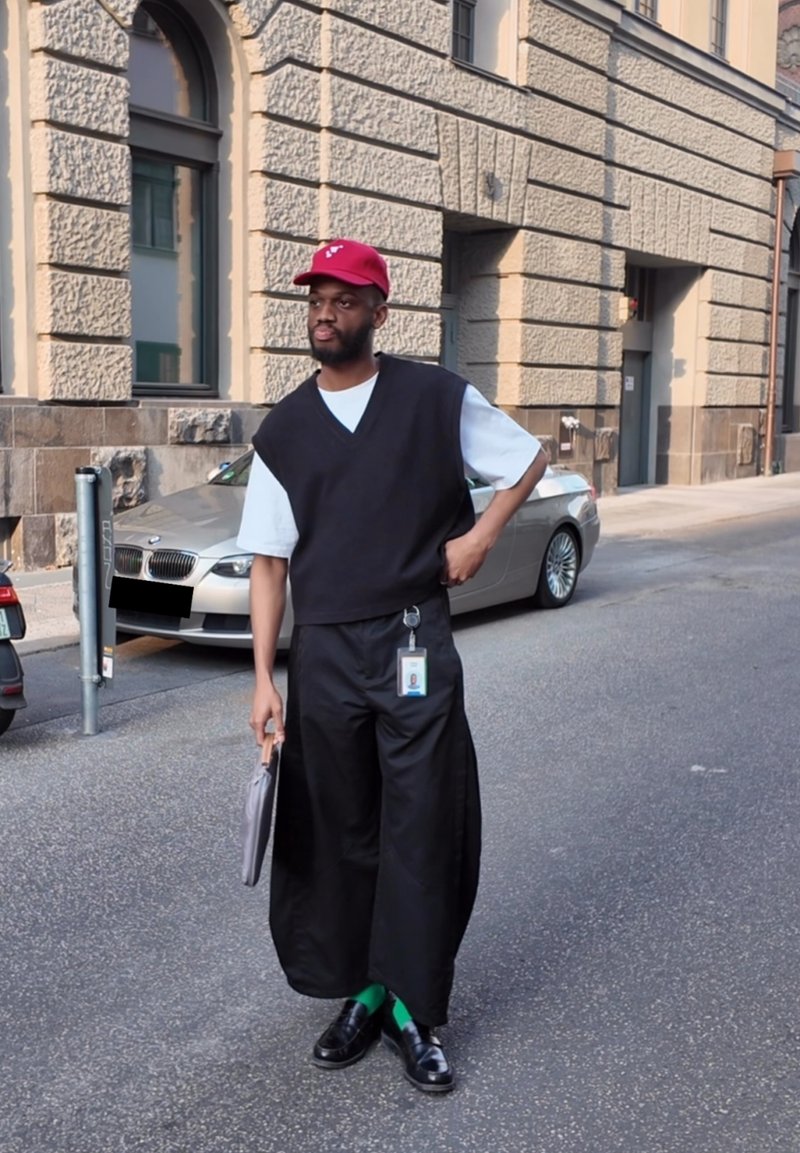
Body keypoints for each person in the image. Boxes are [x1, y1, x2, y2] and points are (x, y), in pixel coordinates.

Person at [237, 238, 547, 1093]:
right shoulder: (287, 430)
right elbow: (269, 561)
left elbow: (529, 457)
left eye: (344, 300)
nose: (325, 313)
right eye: (316, 300)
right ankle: (363, 990)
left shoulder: (433, 399)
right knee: (340, 828)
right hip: (327, 652)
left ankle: (415, 1009)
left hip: (414, 643)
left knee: (419, 824)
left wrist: (481, 536)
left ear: (381, 311)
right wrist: (265, 678)